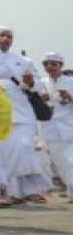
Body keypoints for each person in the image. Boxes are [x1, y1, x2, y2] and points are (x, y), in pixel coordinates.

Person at [0, 27, 51, 204]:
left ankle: (22, 191)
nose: (6, 39)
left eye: (9, 36)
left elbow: (38, 86)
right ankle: (1, 190)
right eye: (2, 35)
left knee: (23, 148)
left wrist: (31, 82)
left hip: (21, 113)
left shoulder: (23, 61)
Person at [37, 53, 73, 202]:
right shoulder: (40, 83)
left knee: (71, 161)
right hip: (50, 129)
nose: (50, 67)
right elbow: (35, 106)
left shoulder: (71, 82)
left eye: (53, 64)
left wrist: (69, 97)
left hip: (69, 127)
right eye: (47, 64)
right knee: (61, 164)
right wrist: (40, 98)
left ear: (61, 66)